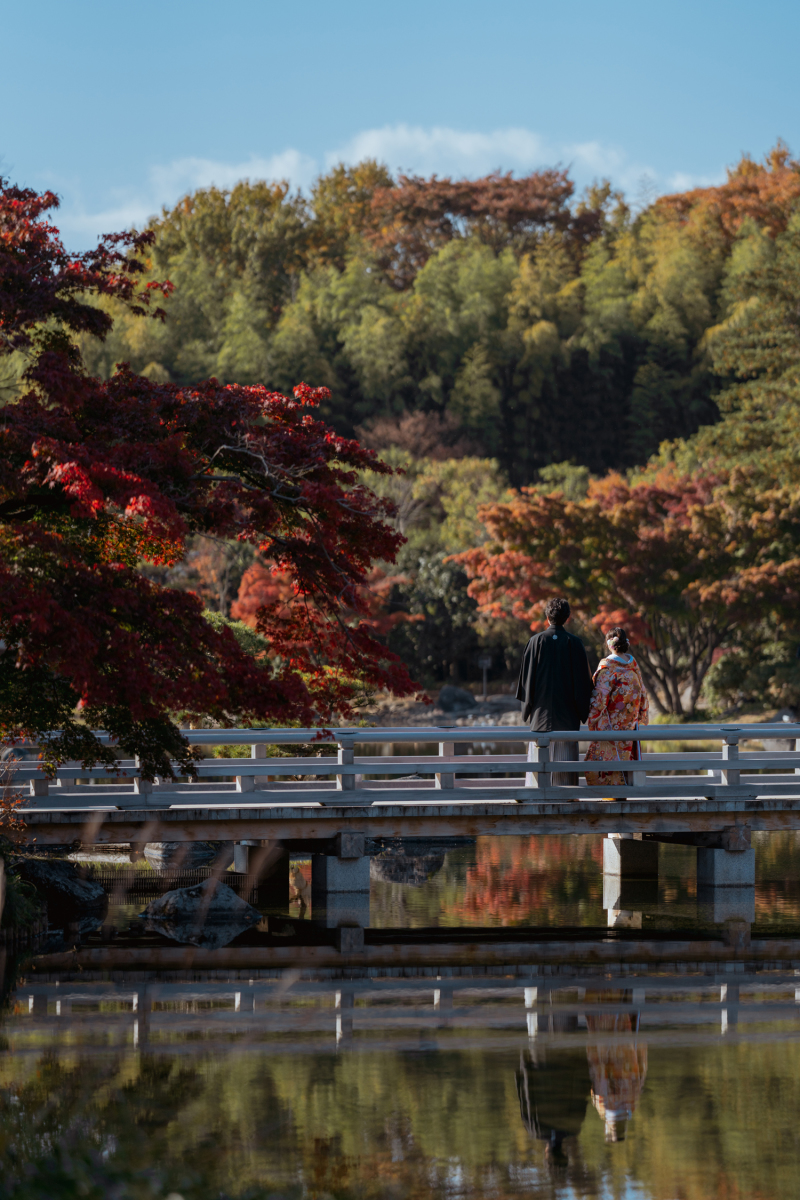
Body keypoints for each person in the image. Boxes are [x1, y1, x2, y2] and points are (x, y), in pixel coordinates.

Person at [516, 598, 594, 786]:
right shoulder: (575, 643)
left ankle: (537, 795)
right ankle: (567, 798)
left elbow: (526, 682)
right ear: (567, 617)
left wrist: (527, 709)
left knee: (539, 773)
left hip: (540, 717)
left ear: (546, 616)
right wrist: (582, 711)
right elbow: (584, 684)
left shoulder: (535, 642)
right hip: (567, 719)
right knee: (564, 774)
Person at [584, 627, 649, 788]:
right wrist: (640, 714)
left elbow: (598, 702)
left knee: (609, 762)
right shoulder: (633, 667)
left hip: (610, 725)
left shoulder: (608, 669)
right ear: (626, 643)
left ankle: (612, 794)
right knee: (626, 758)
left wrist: (591, 717)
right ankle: (623, 793)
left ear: (609, 644)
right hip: (630, 724)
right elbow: (642, 693)